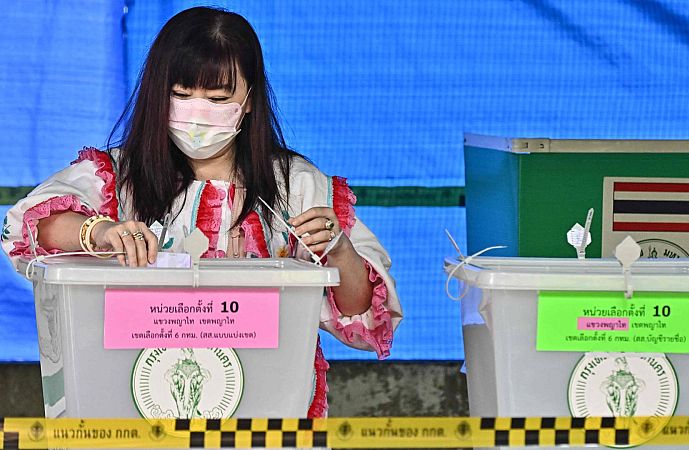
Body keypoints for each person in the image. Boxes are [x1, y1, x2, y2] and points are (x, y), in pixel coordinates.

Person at [0, 6, 401, 418]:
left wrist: (339, 250)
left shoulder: (295, 186)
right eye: (181, 94)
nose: (198, 111)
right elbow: (28, 228)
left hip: (264, 416)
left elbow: (362, 319)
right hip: (130, 417)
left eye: (218, 98)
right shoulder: (117, 177)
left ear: (249, 100)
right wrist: (99, 232)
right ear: (158, 92)